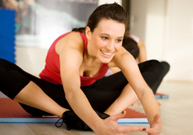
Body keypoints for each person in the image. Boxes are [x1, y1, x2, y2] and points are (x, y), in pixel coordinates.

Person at [0, 3, 162, 135]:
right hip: (50, 96)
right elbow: (71, 90)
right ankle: (67, 114)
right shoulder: (72, 45)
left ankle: (107, 115)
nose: (111, 47)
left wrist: (156, 122)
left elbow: (142, 90)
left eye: (118, 39)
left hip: (91, 97)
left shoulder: (120, 54)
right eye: (104, 37)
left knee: (155, 66)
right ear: (89, 32)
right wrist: (98, 127)